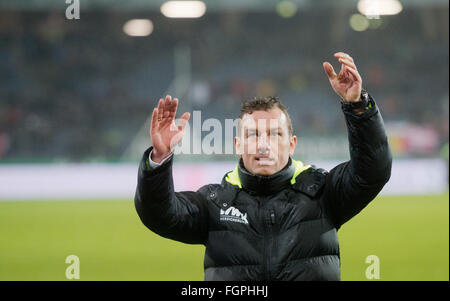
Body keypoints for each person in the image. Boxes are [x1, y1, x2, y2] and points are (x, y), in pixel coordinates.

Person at [134, 52, 392, 281]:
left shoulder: (323, 192)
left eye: (274, 134)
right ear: (238, 145)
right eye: (253, 135)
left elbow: (372, 171)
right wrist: (159, 158)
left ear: (291, 144)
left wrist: (357, 107)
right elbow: (159, 214)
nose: (263, 145)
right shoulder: (214, 202)